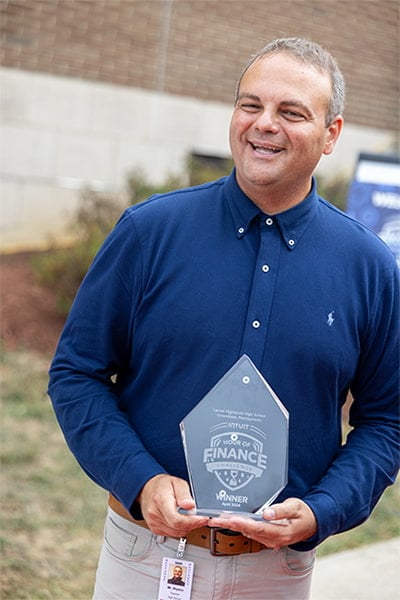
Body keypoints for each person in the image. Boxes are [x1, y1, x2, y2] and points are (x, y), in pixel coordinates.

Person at [48, 37, 399, 600]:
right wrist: (141, 479)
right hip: (144, 556)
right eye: (250, 105)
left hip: (275, 570)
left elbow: (387, 422)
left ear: (331, 134)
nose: (264, 124)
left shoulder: (371, 269)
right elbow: (75, 374)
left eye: (291, 112)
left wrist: (324, 509)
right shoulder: (148, 234)